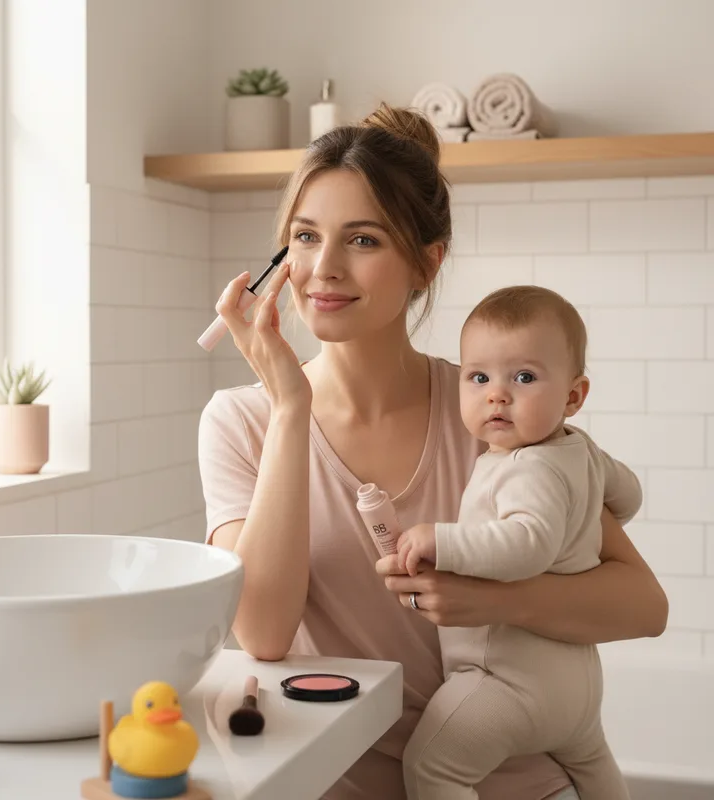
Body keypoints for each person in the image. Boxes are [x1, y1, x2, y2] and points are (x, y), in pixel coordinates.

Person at [197, 102, 668, 800]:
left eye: (362, 240)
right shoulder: (241, 421)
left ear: (426, 261)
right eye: (304, 237)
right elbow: (264, 633)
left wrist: (498, 599)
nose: (323, 268)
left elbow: (642, 604)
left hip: (513, 783)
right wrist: (291, 408)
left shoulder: (489, 411)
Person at [396, 285, 640, 799]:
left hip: (509, 681)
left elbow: (527, 546)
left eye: (523, 378)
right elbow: (630, 495)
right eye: (479, 377)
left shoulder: (527, 467)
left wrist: (440, 540)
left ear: (574, 396)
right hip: (577, 683)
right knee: (593, 767)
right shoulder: (582, 451)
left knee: (433, 768)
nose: (497, 394)